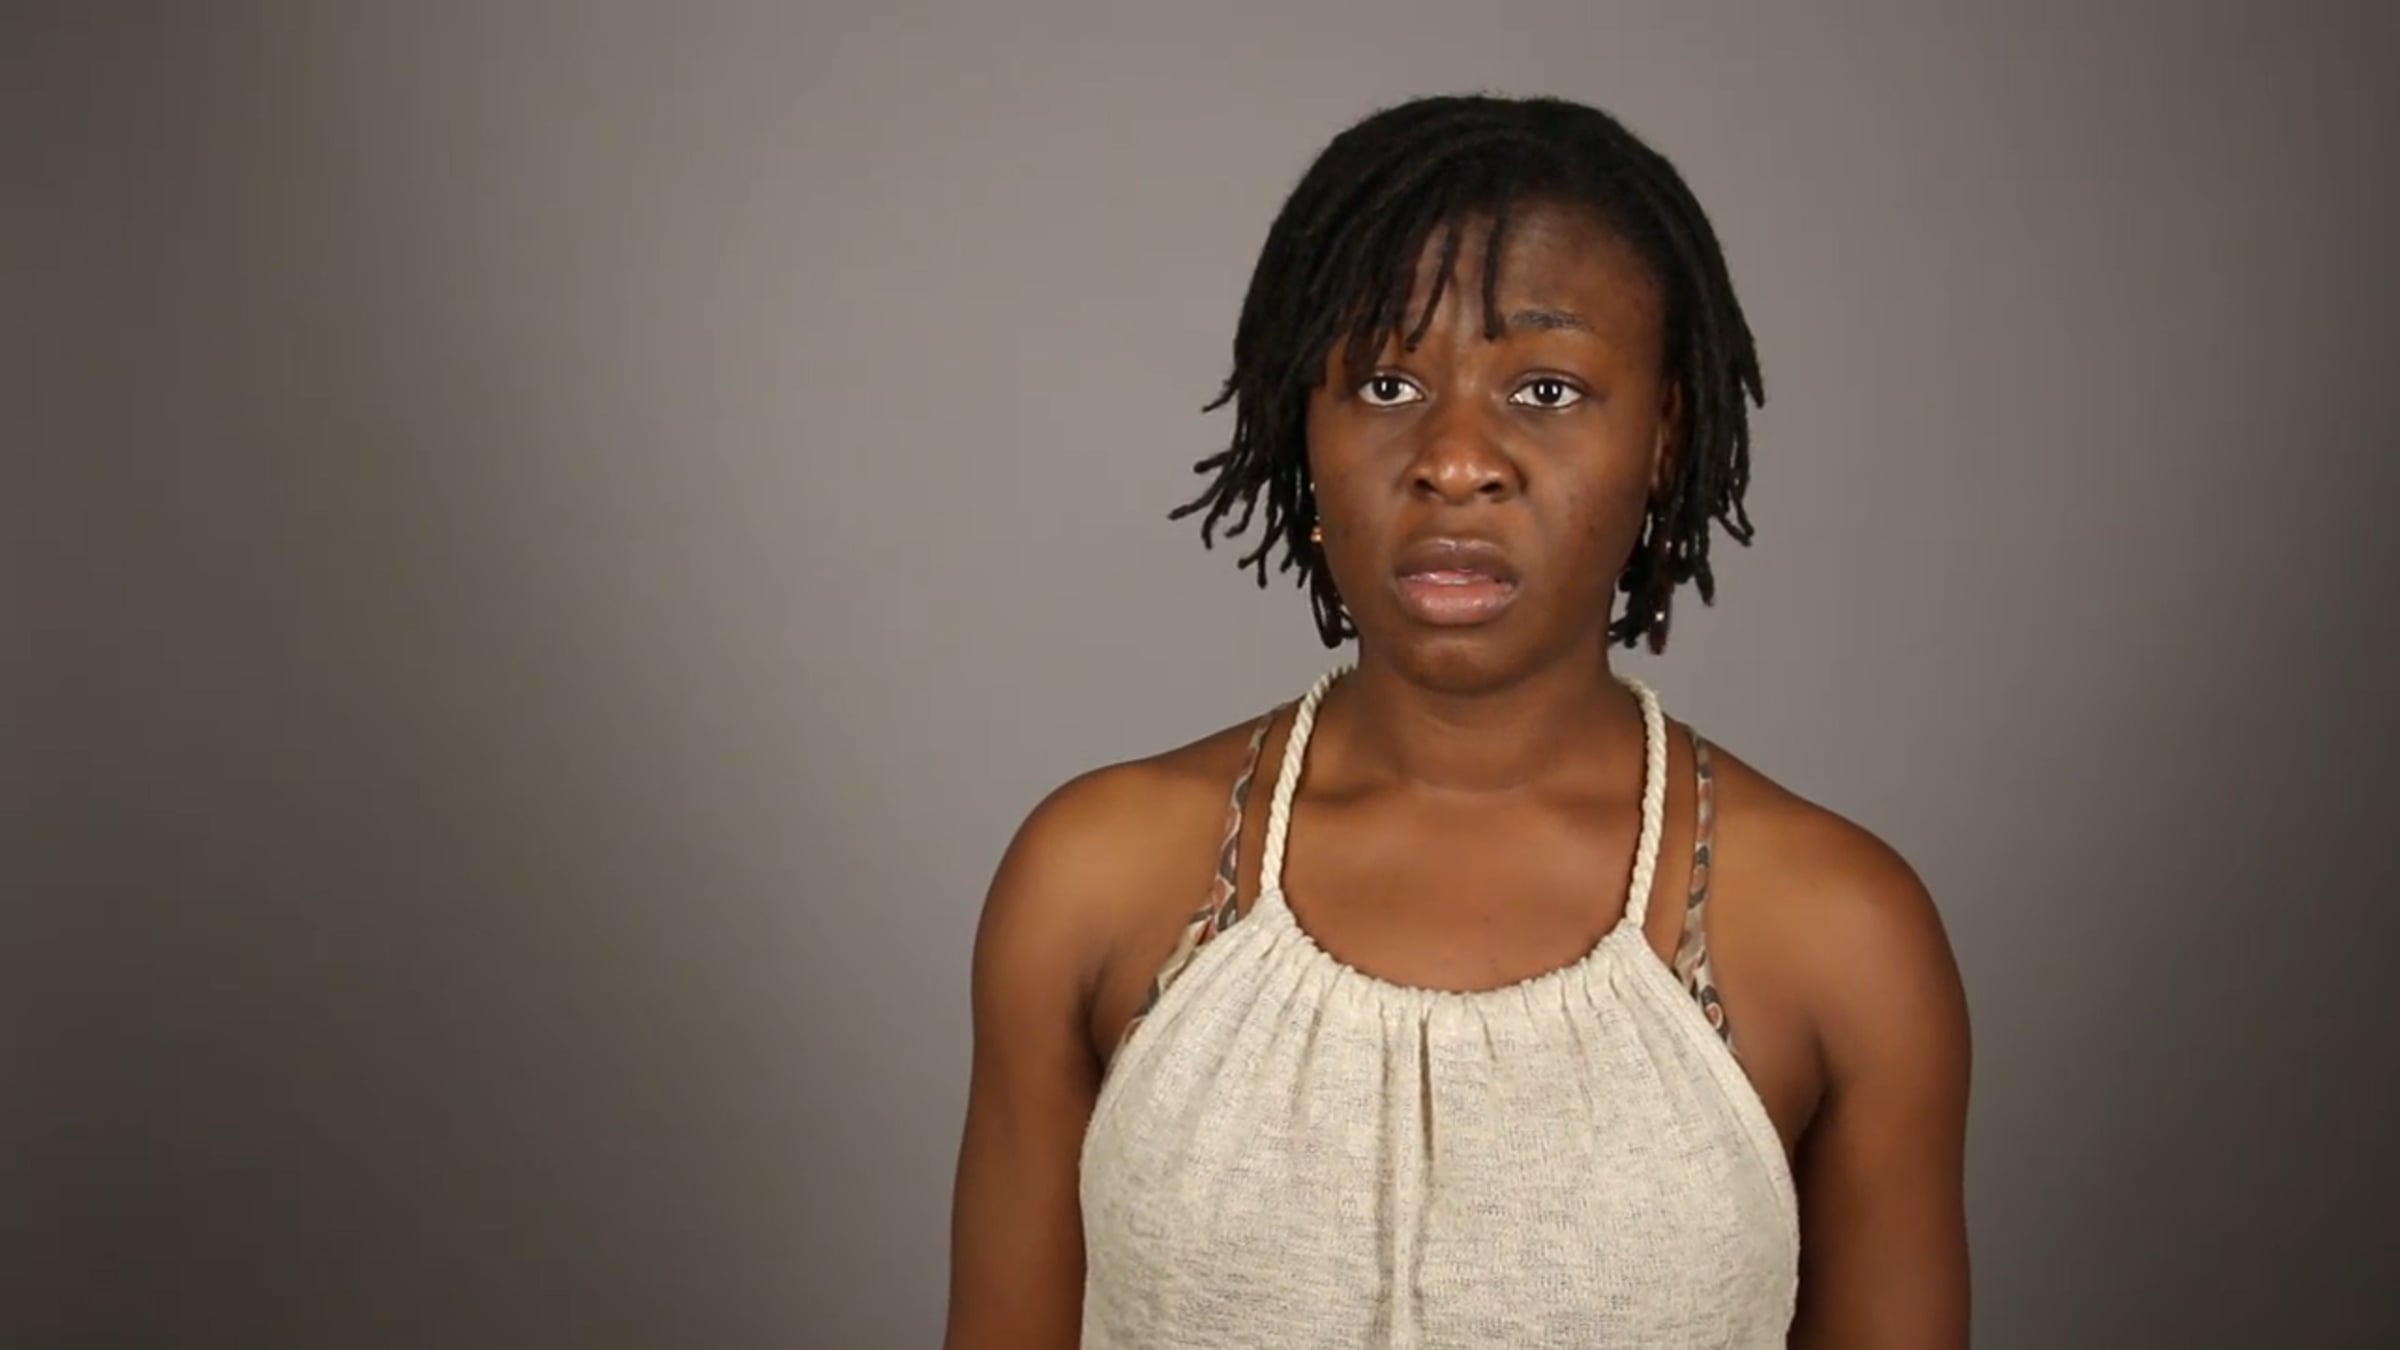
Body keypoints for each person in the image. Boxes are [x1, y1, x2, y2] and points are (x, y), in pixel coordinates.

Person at [943, 92, 1971, 1349]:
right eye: (1386, 382)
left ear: (1664, 437)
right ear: (1302, 425)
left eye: (1546, 387)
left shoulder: (1841, 936)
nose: (1455, 458)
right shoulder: (1095, 881)